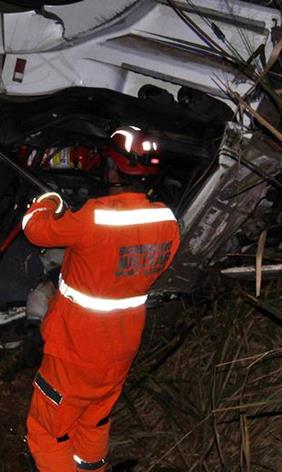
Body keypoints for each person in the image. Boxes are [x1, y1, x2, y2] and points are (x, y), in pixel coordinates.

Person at [22, 126, 181, 471]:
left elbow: (36, 230)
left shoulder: (94, 217)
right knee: (93, 420)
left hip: (75, 349)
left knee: (47, 433)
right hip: (121, 347)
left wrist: (47, 201)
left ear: (111, 170)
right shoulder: (167, 221)